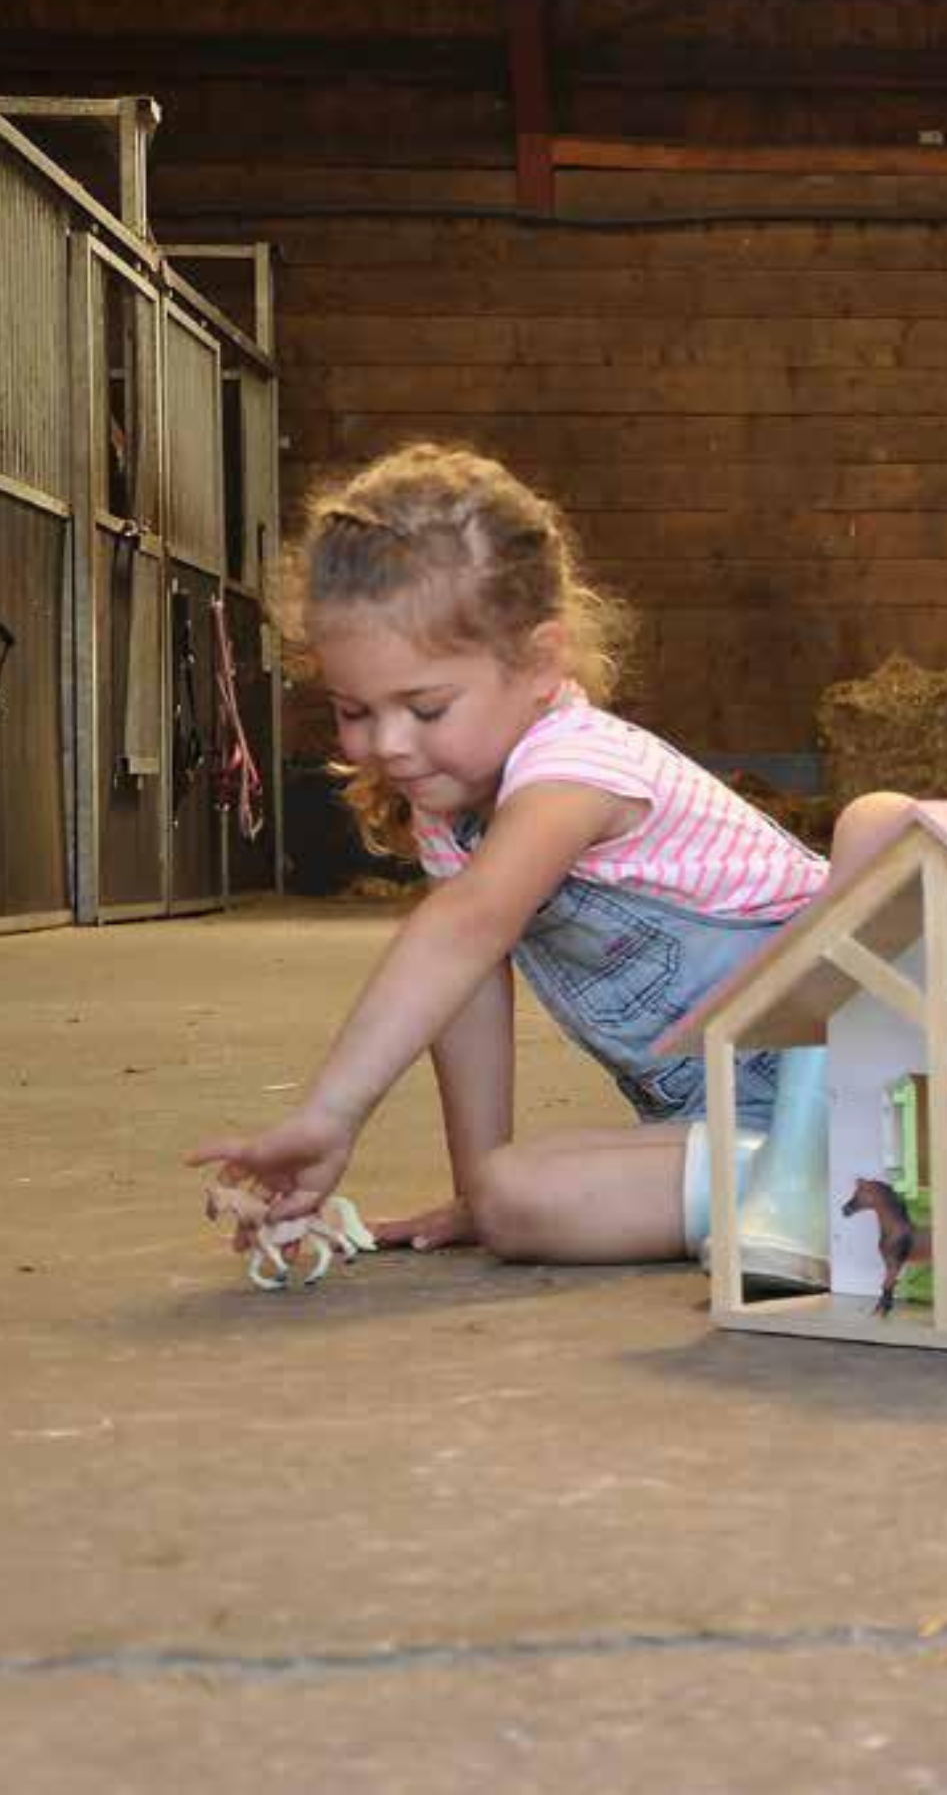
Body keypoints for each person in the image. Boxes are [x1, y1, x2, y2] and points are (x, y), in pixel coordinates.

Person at [187, 443, 909, 1285]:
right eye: (353, 710)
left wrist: (332, 1113)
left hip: (881, 1066)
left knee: (879, 823)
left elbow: (465, 927)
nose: (386, 744)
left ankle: (830, 1165)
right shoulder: (448, 812)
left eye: (425, 707)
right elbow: (464, 984)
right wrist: (472, 1191)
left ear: (538, 663)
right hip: (725, 1120)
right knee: (512, 1199)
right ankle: (839, 1193)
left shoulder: (576, 767)